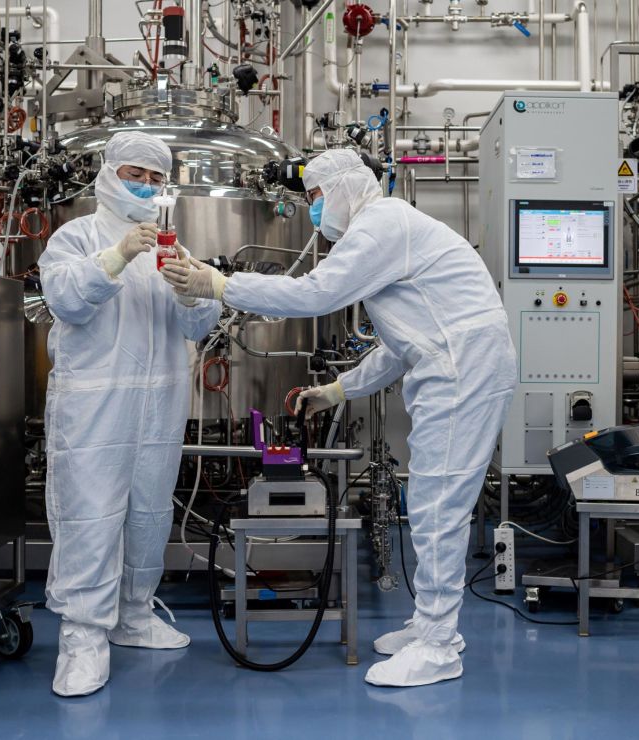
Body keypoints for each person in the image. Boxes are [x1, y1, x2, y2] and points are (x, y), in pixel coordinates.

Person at [163, 148, 518, 688]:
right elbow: (400, 344)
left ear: (346, 187)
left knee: (436, 505)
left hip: (463, 369)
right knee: (431, 499)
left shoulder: (382, 225)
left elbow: (316, 294)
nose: (312, 212)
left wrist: (219, 284)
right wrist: (336, 389)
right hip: (455, 365)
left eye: (315, 198)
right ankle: (430, 625)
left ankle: (441, 646)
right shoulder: (383, 232)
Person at [39, 131, 220, 697]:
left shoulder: (171, 246)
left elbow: (197, 327)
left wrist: (195, 293)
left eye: (155, 178)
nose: (145, 186)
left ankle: (134, 616)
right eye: (134, 175)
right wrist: (117, 256)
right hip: (95, 403)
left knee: (148, 512)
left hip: (160, 400)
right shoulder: (78, 236)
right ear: (109, 173)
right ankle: (83, 638)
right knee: (90, 517)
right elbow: (64, 298)